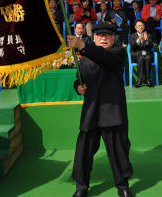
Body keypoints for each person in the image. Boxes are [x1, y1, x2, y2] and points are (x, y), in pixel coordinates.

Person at [67, 23, 133, 197]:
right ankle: (81, 187)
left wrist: (82, 46)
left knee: (118, 150)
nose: (104, 38)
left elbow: (105, 59)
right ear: (94, 37)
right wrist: (78, 87)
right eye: (100, 35)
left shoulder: (118, 53)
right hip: (91, 110)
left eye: (108, 35)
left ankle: (123, 186)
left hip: (112, 110)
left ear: (113, 38)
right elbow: (79, 79)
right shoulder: (85, 58)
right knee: (83, 151)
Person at [130, 20, 154, 88]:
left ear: (144, 26)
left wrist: (146, 40)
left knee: (148, 57)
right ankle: (139, 80)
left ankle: (148, 79)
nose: (140, 27)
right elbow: (132, 46)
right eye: (139, 25)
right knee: (140, 58)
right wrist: (138, 40)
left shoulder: (148, 35)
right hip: (136, 55)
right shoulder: (132, 36)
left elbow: (152, 45)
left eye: (142, 25)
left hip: (147, 54)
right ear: (135, 27)